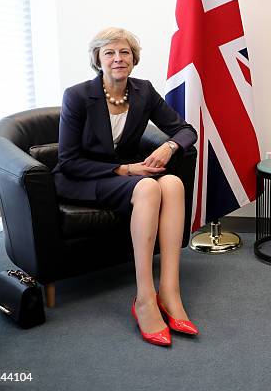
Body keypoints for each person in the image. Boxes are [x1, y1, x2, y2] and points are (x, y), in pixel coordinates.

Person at [53, 27, 198, 347]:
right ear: (98, 60)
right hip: (86, 178)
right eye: (110, 53)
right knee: (148, 187)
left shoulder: (143, 91)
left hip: (126, 175)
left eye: (125, 53)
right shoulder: (77, 96)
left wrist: (169, 147)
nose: (118, 59)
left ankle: (170, 292)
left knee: (172, 183)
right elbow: (68, 161)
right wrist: (125, 169)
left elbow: (186, 131)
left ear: (134, 58)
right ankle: (144, 298)